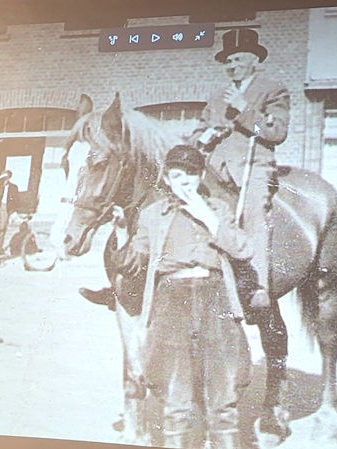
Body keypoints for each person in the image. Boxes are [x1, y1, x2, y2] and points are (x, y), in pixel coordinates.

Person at [110, 145, 252, 449]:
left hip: (215, 298)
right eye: (177, 175)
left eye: (190, 173)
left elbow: (243, 248)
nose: (184, 180)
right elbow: (132, 263)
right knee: (176, 400)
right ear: (167, 179)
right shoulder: (153, 215)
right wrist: (122, 232)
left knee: (224, 397)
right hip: (171, 301)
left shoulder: (219, 209)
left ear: (200, 176)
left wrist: (206, 215)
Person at [188, 28, 289, 310]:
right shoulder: (217, 95)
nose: (231, 66)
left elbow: (275, 132)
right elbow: (199, 129)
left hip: (252, 165)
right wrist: (203, 136)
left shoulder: (273, 90)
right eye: (227, 61)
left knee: (253, 212)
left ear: (254, 60)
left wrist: (244, 108)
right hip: (215, 167)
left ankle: (258, 287)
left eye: (237, 59)